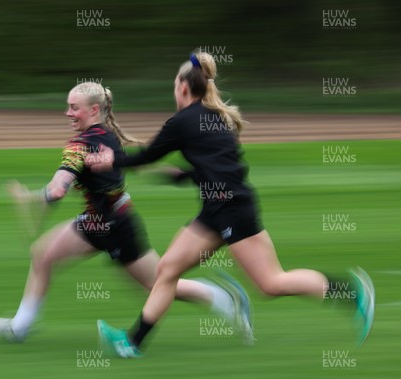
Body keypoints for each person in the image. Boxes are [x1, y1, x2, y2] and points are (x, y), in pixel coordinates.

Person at [88, 51, 375, 358]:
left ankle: (351, 292)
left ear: (184, 87)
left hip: (232, 210)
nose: (174, 91)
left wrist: (111, 160)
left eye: (175, 86)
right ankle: (133, 344)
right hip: (217, 210)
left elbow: (146, 156)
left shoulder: (183, 121)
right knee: (168, 269)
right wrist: (187, 176)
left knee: (271, 284)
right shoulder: (213, 115)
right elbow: (218, 164)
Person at [0, 81, 254, 343]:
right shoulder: (108, 135)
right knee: (42, 254)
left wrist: (36, 196)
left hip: (115, 228)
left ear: (94, 110)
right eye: (68, 106)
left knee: (156, 284)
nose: (68, 113)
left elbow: (58, 189)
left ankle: (221, 297)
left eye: (74, 107)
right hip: (99, 222)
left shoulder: (78, 146)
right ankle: (20, 327)